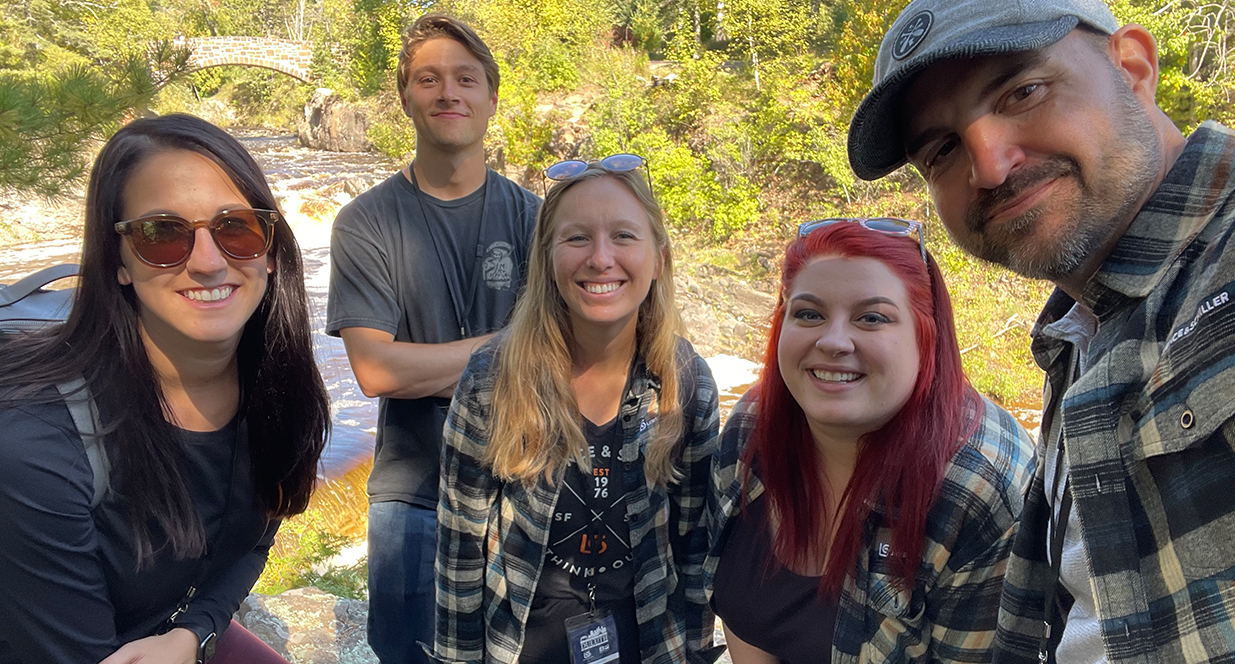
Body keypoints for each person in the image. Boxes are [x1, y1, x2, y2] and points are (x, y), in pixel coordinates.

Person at [848, 0, 1235, 661]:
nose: (990, 167)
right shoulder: (1082, 331)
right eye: (942, 150)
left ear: (1133, 67)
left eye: (1022, 91)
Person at [0, 114, 330, 664]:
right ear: (119, 261)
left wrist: (192, 634)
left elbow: (255, 540)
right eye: (162, 234)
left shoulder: (276, 387)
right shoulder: (38, 445)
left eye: (236, 228)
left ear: (270, 250)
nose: (207, 261)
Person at [705, 220, 1035, 663]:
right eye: (809, 314)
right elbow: (743, 614)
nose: (834, 341)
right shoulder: (754, 424)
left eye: (872, 318)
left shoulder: (980, 490)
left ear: (927, 336)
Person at [432, 161, 720, 664]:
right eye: (577, 239)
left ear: (660, 260)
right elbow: (460, 550)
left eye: (624, 236)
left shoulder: (686, 382)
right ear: (545, 261)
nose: (601, 258)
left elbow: (695, 553)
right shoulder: (492, 379)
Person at [325, 13, 539, 664]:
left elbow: (572, 356)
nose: (449, 92)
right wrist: (516, 347)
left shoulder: (539, 218)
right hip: (413, 498)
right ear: (406, 100)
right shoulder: (364, 223)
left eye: (465, 79)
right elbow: (376, 371)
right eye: (429, 79)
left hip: (525, 489)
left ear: (491, 99)